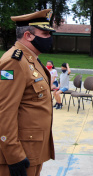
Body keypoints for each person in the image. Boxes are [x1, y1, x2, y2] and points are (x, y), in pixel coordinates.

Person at [0, 9, 55, 176]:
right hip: (20, 152)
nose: (49, 38)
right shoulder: (14, 62)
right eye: (45, 34)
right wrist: (14, 155)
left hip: (33, 149)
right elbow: (4, 112)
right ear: (28, 36)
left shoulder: (31, 59)